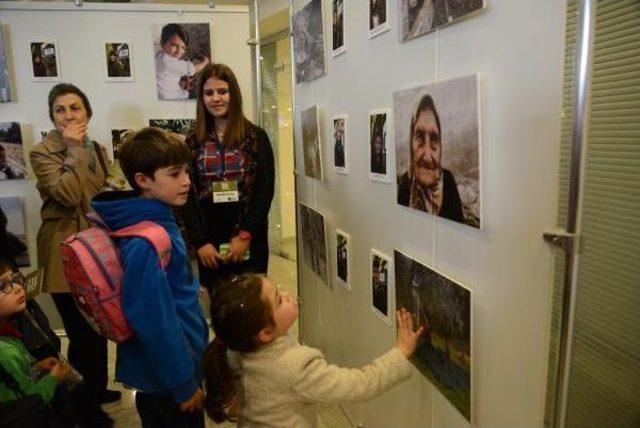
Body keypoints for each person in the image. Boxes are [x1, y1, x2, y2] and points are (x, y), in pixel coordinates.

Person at [91, 127, 209, 428]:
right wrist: (183, 384)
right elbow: (153, 319)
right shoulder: (148, 239)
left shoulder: (154, 220)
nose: (186, 181)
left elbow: (162, 290)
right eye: (174, 174)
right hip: (167, 381)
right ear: (143, 180)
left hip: (169, 371)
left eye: (186, 171)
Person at [202, 274, 424, 425]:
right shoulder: (295, 367)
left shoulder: (236, 347)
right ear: (266, 333)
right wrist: (400, 352)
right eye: (279, 300)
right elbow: (357, 384)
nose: (288, 295)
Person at [29, 83, 117, 427]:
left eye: (75, 108)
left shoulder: (97, 148)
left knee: (97, 326)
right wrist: (74, 149)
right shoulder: (42, 151)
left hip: (94, 248)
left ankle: (96, 389)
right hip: (62, 250)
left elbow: (99, 195)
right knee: (80, 333)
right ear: (52, 116)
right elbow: (66, 195)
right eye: (60, 110)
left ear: (87, 112)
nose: (69, 115)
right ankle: (83, 406)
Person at [183, 63, 275, 295]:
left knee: (252, 303)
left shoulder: (256, 137)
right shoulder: (193, 141)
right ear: (201, 98)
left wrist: (245, 235)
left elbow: (265, 190)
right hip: (209, 242)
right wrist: (201, 242)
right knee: (220, 305)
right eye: (209, 93)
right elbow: (187, 196)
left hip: (248, 237)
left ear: (233, 94)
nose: (216, 98)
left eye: (222, 91)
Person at [0, 258, 75, 428]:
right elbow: (26, 402)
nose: (18, 288)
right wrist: (54, 379)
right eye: (2, 286)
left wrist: (35, 368)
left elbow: (11, 381)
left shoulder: (7, 334)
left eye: (14, 280)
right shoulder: (5, 352)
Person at [397, 94, 464, 222]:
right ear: (411, 143)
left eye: (434, 139)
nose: (427, 156)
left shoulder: (448, 183)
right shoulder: (405, 183)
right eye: (419, 137)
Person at [155, 24, 210, 100]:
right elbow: (194, 69)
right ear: (162, 44)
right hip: (177, 97)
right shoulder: (169, 63)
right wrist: (206, 61)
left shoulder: (158, 56)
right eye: (174, 45)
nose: (179, 51)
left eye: (183, 48)